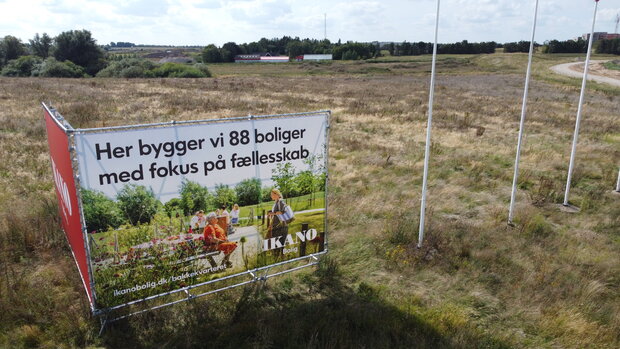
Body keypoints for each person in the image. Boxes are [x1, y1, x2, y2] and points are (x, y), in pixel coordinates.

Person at [267, 188, 288, 258]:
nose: (271, 196)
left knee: (278, 241)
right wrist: (271, 213)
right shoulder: (276, 202)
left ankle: (279, 257)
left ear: (276, 194)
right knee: (277, 241)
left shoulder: (280, 201)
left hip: (281, 225)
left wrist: (273, 213)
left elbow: (284, 211)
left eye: (272, 194)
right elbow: (276, 212)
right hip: (276, 225)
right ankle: (278, 256)